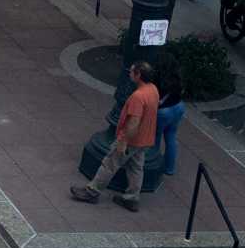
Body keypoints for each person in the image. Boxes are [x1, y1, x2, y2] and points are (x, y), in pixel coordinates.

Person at [72, 60, 159, 211]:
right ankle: (132, 198)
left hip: (132, 140)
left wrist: (123, 141)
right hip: (145, 139)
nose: (129, 74)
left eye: (132, 72)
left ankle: (92, 191)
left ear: (138, 75)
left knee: (110, 163)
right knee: (136, 168)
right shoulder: (153, 90)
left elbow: (133, 122)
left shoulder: (138, 97)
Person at [157, 66, 186, 176]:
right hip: (179, 107)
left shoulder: (160, 79)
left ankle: (153, 165)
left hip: (163, 112)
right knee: (171, 137)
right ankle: (169, 168)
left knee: (155, 138)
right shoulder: (177, 79)